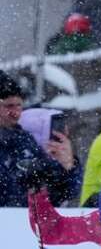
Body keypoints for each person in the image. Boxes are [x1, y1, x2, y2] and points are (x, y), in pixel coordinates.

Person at [1, 72, 79, 205]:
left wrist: (67, 166)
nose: (16, 113)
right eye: (9, 106)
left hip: (23, 222)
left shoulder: (24, 140)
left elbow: (63, 194)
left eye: (19, 105)